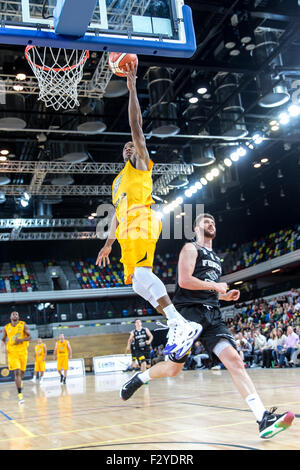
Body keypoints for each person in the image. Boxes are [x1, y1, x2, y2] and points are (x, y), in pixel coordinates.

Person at [120, 213, 295, 439]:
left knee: (235, 361)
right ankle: (138, 379)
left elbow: (206, 289)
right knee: (172, 369)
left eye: (213, 221)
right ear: (195, 228)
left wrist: (224, 296)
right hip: (189, 315)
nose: (211, 223)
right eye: (206, 221)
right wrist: (216, 286)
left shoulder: (215, 258)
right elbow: (184, 282)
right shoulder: (191, 249)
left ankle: (262, 418)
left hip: (213, 316)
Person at [95, 62, 201, 359]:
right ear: (121, 154)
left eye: (133, 145)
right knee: (137, 282)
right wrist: (107, 243)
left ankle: (179, 322)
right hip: (126, 229)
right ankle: (178, 323)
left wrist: (131, 90)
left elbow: (136, 126)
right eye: (126, 147)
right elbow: (116, 214)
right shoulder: (118, 181)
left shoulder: (140, 165)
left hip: (142, 219)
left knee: (142, 273)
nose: (130, 147)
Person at [1, 311, 31, 404]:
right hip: (12, 352)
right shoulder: (6, 328)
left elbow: (30, 337)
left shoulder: (23, 325)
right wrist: (2, 347)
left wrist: (21, 340)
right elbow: (3, 339)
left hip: (22, 352)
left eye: (16, 314)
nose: (15, 315)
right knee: (17, 371)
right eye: (13, 314)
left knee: (22, 372)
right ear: (10, 317)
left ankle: (20, 383)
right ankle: (20, 395)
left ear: (18, 317)